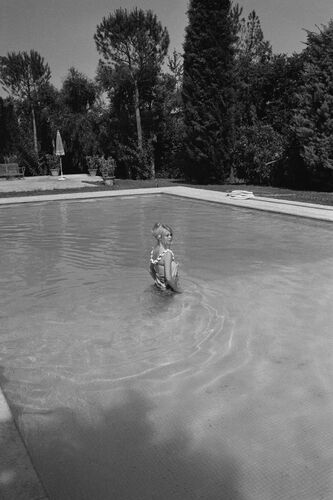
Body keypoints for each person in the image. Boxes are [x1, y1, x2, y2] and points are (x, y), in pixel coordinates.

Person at [149, 223, 182, 293]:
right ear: (160, 237)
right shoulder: (167, 254)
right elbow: (168, 278)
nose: (170, 237)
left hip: (158, 287)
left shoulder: (154, 251)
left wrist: (159, 283)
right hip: (168, 290)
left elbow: (151, 270)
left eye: (171, 234)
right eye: (167, 235)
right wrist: (178, 291)